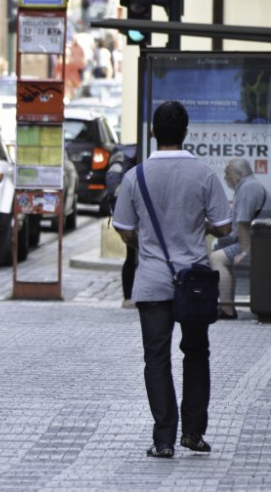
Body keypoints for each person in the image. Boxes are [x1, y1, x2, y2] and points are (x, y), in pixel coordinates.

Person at [112, 100, 232, 459]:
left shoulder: (136, 176)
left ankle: (163, 439)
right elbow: (224, 226)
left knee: (156, 359)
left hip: (151, 281)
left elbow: (124, 230)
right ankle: (193, 433)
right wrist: (199, 227)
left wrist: (146, 241)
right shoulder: (205, 175)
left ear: (153, 132)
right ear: (185, 133)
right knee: (196, 354)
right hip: (193, 281)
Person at [210, 159, 269, 319]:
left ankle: (227, 309)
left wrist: (244, 252)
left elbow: (242, 224)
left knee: (217, 259)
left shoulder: (248, 188)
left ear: (239, 174)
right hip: (255, 240)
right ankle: (228, 306)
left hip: (255, 243)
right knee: (220, 253)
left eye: (227, 173)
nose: (225, 178)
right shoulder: (249, 186)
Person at [105, 143, 138, 308]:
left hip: (125, 214)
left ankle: (128, 297)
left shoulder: (124, 158)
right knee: (138, 256)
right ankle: (134, 295)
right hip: (138, 213)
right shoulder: (140, 155)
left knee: (131, 256)